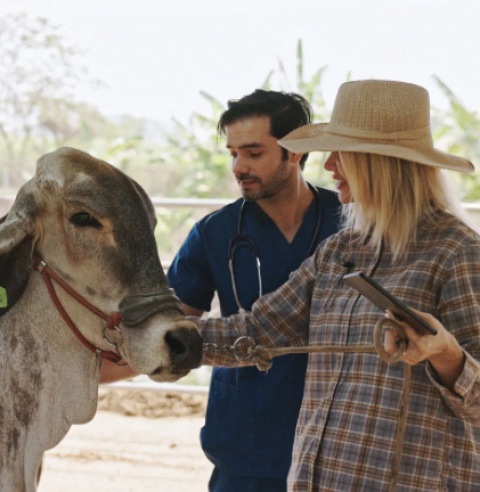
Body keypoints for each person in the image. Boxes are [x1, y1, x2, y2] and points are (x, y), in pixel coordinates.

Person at [199, 79, 480, 491]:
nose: (328, 166)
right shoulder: (337, 252)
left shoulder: (457, 253)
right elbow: (257, 330)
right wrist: (160, 338)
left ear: (379, 161)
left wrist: (447, 355)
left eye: (340, 153)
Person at [165, 90, 342, 492]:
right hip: (246, 440)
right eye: (233, 153)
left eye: (253, 153)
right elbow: (173, 326)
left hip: (334, 438)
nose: (238, 167)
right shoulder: (214, 233)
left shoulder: (349, 225)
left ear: (294, 151)